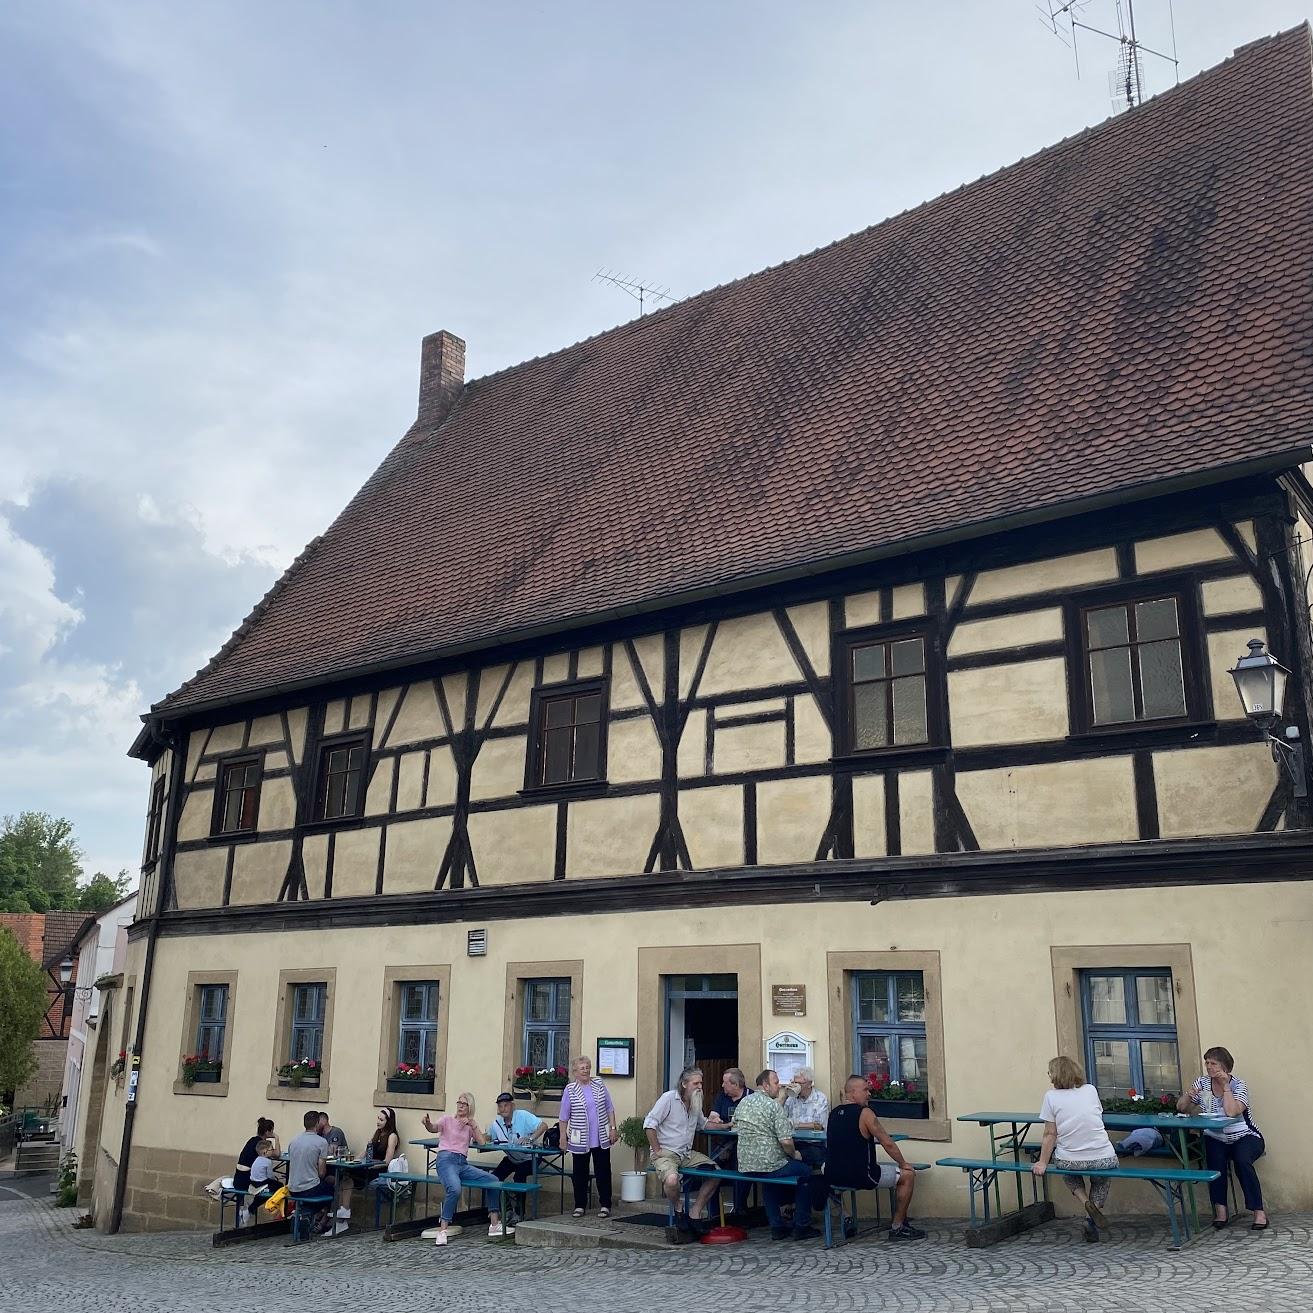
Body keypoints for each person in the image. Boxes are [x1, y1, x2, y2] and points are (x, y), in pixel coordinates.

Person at [1177, 1045, 1268, 1230]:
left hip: (1245, 1136)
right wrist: (1188, 1096)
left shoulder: (1238, 1085)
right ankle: (1221, 1211)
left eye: (1213, 1063)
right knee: (1215, 1163)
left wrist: (1226, 1086)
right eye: (1207, 1063)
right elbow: (1181, 1109)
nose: (1209, 1067)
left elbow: (1232, 1111)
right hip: (1215, 1136)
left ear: (1225, 1067)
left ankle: (1258, 1212)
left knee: (1242, 1161)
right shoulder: (1202, 1083)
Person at [825, 1074, 924, 1241]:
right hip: (863, 1176)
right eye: (865, 1090)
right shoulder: (865, 1113)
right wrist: (903, 1163)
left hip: (834, 1174)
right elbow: (888, 1143)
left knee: (822, 1171)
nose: (869, 1094)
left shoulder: (833, 1113)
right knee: (908, 1176)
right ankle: (898, 1226)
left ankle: (846, 1214)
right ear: (852, 1093)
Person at [1031, 1056, 1118, 1243]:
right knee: (1101, 1179)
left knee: (1068, 1172)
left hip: (1070, 1159)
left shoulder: (1050, 1097)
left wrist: (1042, 1162)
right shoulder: (1090, 1090)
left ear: (1055, 1075)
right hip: (1103, 1156)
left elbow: (1050, 1134)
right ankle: (1091, 1215)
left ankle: (1084, 1200)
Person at [733, 1069, 818, 1241]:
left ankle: (777, 1227)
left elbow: (734, 1124)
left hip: (745, 1165)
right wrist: (794, 1155)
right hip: (769, 1164)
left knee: (769, 1180)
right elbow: (786, 1142)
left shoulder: (743, 1102)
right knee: (807, 1172)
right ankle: (802, 1225)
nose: (779, 1086)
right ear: (765, 1085)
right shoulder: (773, 1107)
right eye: (776, 1082)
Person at [643, 1066, 720, 1236]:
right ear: (684, 1084)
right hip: (666, 1153)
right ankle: (679, 1208)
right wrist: (657, 1150)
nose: (700, 1086)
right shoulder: (668, 1098)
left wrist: (726, 1125)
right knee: (671, 1180)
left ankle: (695, 1212)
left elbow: (704, 1124)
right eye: (696, 1083)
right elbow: (649, 1124)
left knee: (716, 1174)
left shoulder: (695, 1101)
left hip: (686, 1153)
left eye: (701, 1082)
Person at [422, 1093, 507, 1244]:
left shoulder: (469, 1126)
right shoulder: (447, 1119)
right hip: (446, 1160)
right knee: (454, 1189)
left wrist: (473, 1125)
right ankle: (443, 1230)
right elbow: (433, 1128)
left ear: (470, 1107)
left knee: (493, 1180)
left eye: (464, 1104)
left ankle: (494, 1224)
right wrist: (427, 1123)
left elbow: (482, 1143)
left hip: (462, 1163)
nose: (460, 1106)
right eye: (459, 1102)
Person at [557, 1056, 617, 1219]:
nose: (585, 1070)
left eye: (587, 1067)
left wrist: (613, 1128)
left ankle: (605, 1204)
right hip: (580, 1138)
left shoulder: (599, 1084)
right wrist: (563, 1136)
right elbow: (563, 1116)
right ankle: (579, 1205)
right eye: (581, 1068)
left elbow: (609, 1108)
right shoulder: (570, 1090)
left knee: (603, 1171)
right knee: (580, 1173)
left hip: (600, 1136)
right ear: (575, 1072)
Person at [489, 1092, 546, 1226]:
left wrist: (530, 1138)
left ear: (512, 1106)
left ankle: (519, 1214)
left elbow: (543, 1126)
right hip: (512, 1157)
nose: (503, 1109)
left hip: (530, 1158)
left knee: (519, 1176)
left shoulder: (522, 1115)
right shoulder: (496, 1124)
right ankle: (506, 1209)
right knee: (493, 1177)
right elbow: (488, 1137)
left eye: (506, 1105)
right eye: (500, 1106)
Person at [706, 1068, 752, 1218]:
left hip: (745, 1147)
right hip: (723, 1144)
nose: (722, 1085)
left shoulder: (751, 1097)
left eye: (725, 1083)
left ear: (736, 1084)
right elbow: (712, 1116)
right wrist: (715, 1120)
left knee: (742, 1171)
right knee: (708, 1170)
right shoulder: (721, 1097)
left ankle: (739, 1211)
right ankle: (713, 1216)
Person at [286, 1108, 331, 1232]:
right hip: (309, 1189)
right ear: (317, 1124)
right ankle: (320, 1220)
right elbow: (322, 1173)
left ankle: (304, 1214)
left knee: (318, 1188)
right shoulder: (321, 1142)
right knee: (332, 1189)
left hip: (292, 1188)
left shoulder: (293, 1141)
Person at [778, 1068, 829, 1168]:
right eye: (793, 1082)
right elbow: (779, 1118)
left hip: (813, 1144)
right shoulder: (791, 1098)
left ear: (809, 1084)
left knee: (809, 1156)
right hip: (794, 1142)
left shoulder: (820, 1098)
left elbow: (820, 1125)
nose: (795, 1085)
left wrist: (795, 1125)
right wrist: (784, 1096)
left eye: (798, 1083)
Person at [317, 1110, 353, 1234]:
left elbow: (332, 1151)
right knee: (318, 1181)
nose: (316, 1124)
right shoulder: (319, 1134)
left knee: (328, 1182)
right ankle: (320, 1214)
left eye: (318, 1121)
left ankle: (325, 1217)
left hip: (338, 1170)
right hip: (326, 1169)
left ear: (324, 1121)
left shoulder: (336, 1132)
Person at [232, 1117, 277, 1197]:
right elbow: (277, 1154)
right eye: (272, 1130)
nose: (273, 1132)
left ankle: (249, 1207)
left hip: (238, 1178)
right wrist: (277, 1138)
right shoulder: (262, 1144)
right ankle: (253, 1207)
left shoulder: (252, 1140)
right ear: (267, 1132)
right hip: (247, 1181)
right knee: (274, 1188)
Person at [243, 1138, 281, 1223]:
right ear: (265, 1152)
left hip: (253, 1182)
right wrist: (274, 1180)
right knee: (280, 1186)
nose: (272, 1151)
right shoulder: (268, 1161)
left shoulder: (256, 1159)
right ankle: (273, 1205)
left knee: (261, 1194)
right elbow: (270, 1176)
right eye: (271, 1149)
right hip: (262, 1182)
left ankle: (251, 1209)